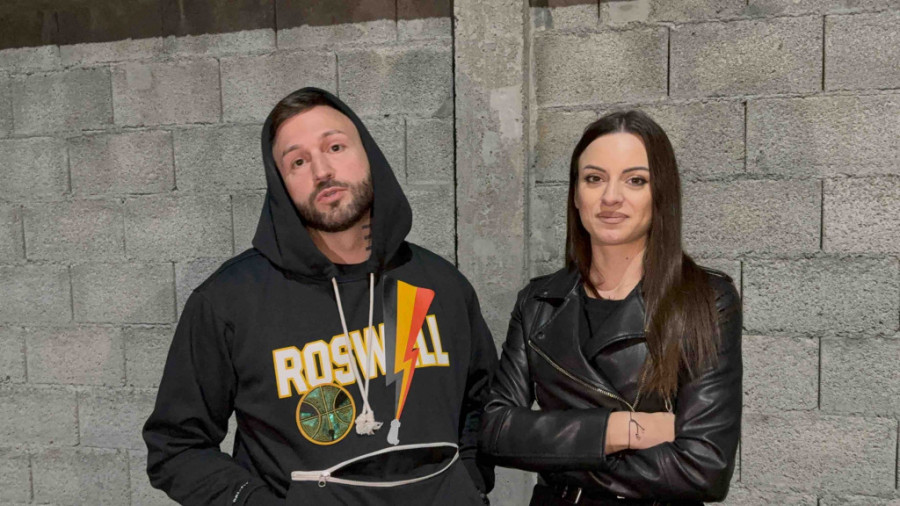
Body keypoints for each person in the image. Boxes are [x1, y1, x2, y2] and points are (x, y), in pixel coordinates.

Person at [144, 88, 496, 505]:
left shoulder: (441, 285)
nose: (322, 170)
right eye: (297, 161)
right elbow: (176, 446)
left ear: (369, 154)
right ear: (281, 184)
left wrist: (468, 485)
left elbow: (482, 406)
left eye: (335, 147)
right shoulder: (229, 302)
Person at [479, 111, 742, 505]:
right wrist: (622, 429)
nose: (611, 197)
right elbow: (494, 429)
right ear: (575, 194)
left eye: (635, 180)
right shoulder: (539, 302)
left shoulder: (704, 299)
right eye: (594, 178)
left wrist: (551, 447)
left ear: (660, 193)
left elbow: (705, 469)